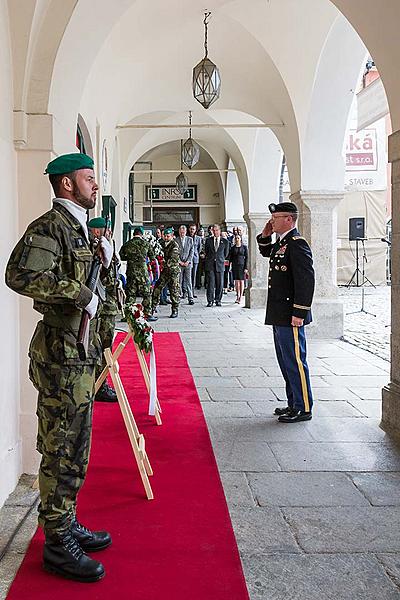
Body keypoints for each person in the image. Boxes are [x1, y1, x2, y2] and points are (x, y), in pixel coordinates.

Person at [5, 153, 112, 582]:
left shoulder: (79, 229)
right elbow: (19, 276)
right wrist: (77, 292)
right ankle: (55, 545)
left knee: (77, 448)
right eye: (89, 179)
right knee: (59, 449)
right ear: (67, 184)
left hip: (79, 353)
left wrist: (104, 260)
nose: (95, 186)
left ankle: (64, 523)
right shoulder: (49, 228)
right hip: (59, 356)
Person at [257, 202, 315, 423]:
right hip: (279, 313)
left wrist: (299, 312)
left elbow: (306, 280)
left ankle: (304, 407)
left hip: (291, 314)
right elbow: (265, 251)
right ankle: (293, 403)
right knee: (285, 360)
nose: (272, 220)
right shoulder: (283, 242)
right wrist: (265, 234)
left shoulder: (297, 244)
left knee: (295, 361)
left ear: (289, 219)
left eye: (277, 217)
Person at [87, 217, 119, 403]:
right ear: (97, 231)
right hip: (102, 308)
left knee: (106, 346)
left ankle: (100, 382)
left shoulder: (106, 246)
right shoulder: (95, 249)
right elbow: (100, 278)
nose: (109, 232)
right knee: (102, 347)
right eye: (106, 230)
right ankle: (100, 385)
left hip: (108, 306)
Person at [119, 226, 157, 321]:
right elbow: (152, 257)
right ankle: (147, 314)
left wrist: (131, 258)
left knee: (131, 294)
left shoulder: (127, 244)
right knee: (146, 293)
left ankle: (128, 315)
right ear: (141, 234)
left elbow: (122, 257)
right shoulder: (146, 244)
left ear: (133, 234)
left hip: (131, 272)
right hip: (143, 273)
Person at [152, 227, 180, 318]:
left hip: (173, 271)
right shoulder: (160, 243)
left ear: (172, 236)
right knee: (157, 288)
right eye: (165, 236)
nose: (166, 238)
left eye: (168, 236)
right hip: (164, 271)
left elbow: (173, 259)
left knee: (174, 290)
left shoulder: (174, 245)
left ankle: (175, 309)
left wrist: (162, 263)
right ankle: (152, 307)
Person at [204, 223, 230, 307]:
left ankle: (218, 300)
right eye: (214, 230)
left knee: (220, 283)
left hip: (220, 264)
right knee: (211, 283)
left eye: (217, 230)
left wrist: (219, 259)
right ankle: (210, 301)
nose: (215, 232)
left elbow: (225, 254)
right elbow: (207, 252)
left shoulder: (225, 241)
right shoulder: (208, 240)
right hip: (210, 264)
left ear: (220, 231)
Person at [176, 224, 194, 305]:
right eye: (181, 231)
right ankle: (178, 297)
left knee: (188, 280)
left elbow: (192, 251)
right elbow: (175, 252)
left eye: (183, 231)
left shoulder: (190, 239)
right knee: (179, 280)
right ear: (179, 232)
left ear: (186, 232)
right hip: (179, 264)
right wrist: (179, 261)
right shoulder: (176, 240)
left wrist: (188, 261)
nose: (182, 233)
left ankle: (190, 297)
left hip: (188, 264)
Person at [229, 234, 248, 303]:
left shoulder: (244, 247)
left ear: (240, 239)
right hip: (235, 265)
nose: (237, 239)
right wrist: (229, 266)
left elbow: (247, 258)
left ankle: (241, 297)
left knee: (241, 281)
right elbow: (230, 258)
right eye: (236, 238)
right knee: (236, 282)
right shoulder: (233, 248)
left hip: (242, 266)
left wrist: (246, 267)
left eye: (238, 238)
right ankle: (238, 296)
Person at [188, 223, 202, 297]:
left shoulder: (199, 238)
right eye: (191, 229)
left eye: (193, 229)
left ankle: (192, 292)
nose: (192, 230)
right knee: (187, 276)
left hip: (195, 259)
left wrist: (196, 255)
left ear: (195, 230)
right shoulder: (186, 238)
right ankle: (186, 292)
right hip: (188, 260)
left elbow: (199, 249)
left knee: (194, 276)